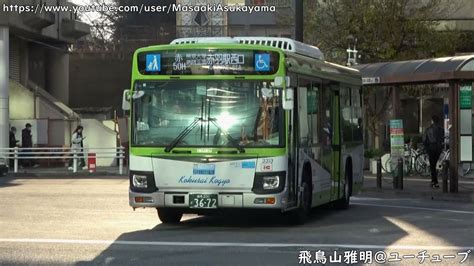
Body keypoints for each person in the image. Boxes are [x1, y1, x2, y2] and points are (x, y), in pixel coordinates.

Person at [423, 115, 445, 188]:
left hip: (431, 148)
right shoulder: (441, 129)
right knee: (434, 164)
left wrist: (426, 148)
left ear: (432, 121)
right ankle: (434, 181)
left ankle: (434, 182)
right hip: (438, 149)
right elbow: (442, 139)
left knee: (432, 166)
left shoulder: (428, 129)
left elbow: (425, 140)